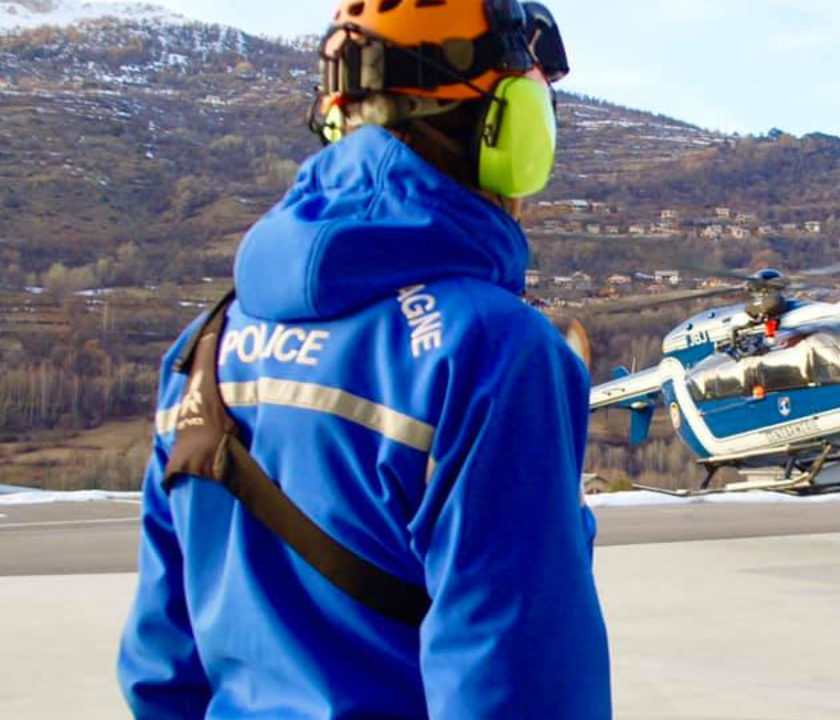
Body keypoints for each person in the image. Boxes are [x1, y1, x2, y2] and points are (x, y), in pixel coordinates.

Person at [117, 1, 612, 718]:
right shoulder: (493, 353)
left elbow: (161, 665)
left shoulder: (204, 346)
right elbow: (517, 683)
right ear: (496, 131)